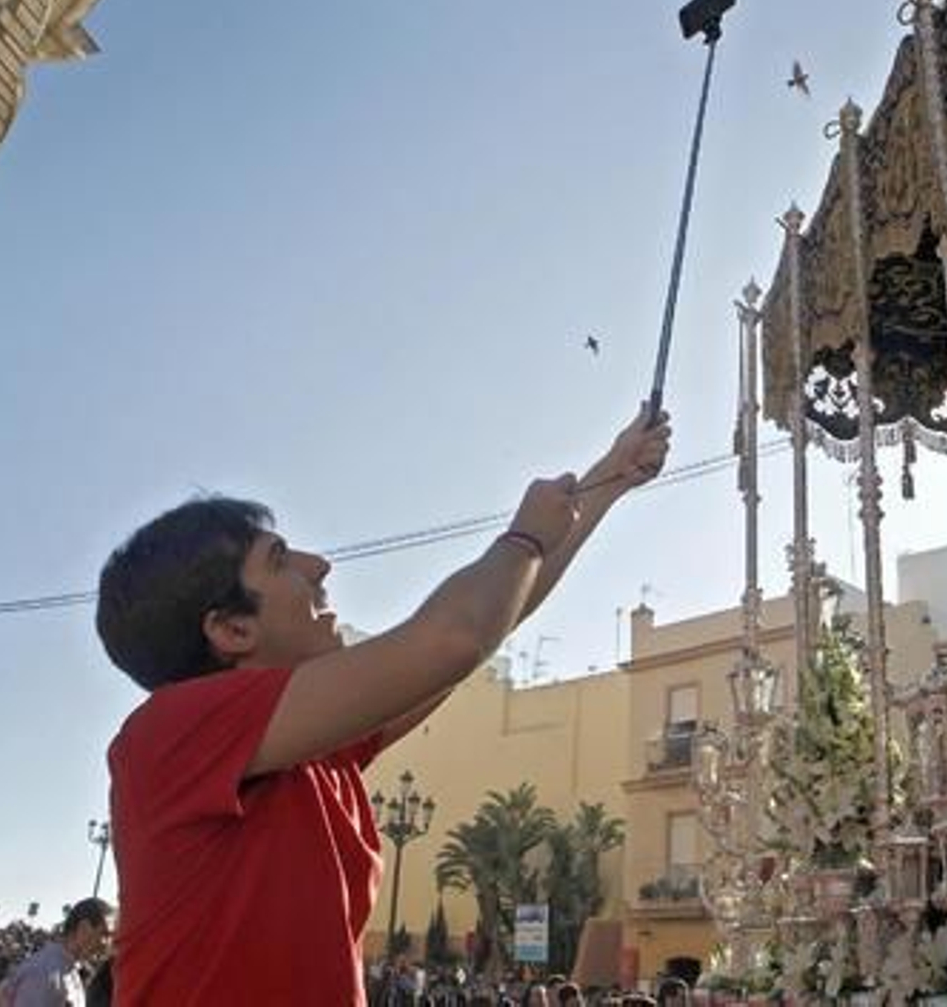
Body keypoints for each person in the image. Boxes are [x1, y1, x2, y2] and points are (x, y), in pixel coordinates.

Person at [98, 405, 671, 1005]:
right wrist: (523, 537)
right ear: (232, 630)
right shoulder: (170, 731)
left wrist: (610, 477)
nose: (318, 565)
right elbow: (453, 638)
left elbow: (486, 624)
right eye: (279, 558)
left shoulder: (315, 755)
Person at [0, 898, 112, 1007]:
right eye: (105, 934)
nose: (107, 943)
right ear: (83, 928)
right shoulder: (45, 973)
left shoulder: (66, 968)